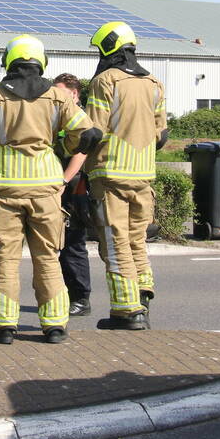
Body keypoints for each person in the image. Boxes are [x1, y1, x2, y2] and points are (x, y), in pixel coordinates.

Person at [0, 35, 102, 345]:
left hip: (7, 187)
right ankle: (54, 326)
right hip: (46, 189)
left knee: (5, 259)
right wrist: (65, 144)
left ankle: (3, 326)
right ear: (41, 61)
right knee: (48, 257)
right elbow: (90, 133)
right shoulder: (58, 97)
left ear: (10, 60)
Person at [86, 22, 168, 331]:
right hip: (144, 176)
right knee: (137, 240)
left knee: (115, 242)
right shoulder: (155, 83)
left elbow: (94, 130)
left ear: (108, 47)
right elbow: (161, 135)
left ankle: (126, 310)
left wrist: (69, 139)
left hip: (110, 176)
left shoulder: (105, 81)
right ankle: (143, 292)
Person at [51, 73, 92, 317]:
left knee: (73, 244)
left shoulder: (79, 118)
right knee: (61, 244)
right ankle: (67, 295)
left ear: (74, 93)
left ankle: (81, 298)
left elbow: (81, 152)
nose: (55, 95)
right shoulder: (61, 116)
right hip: (63, 187)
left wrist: (63, 181)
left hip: (74, 188)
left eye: (60, 91)